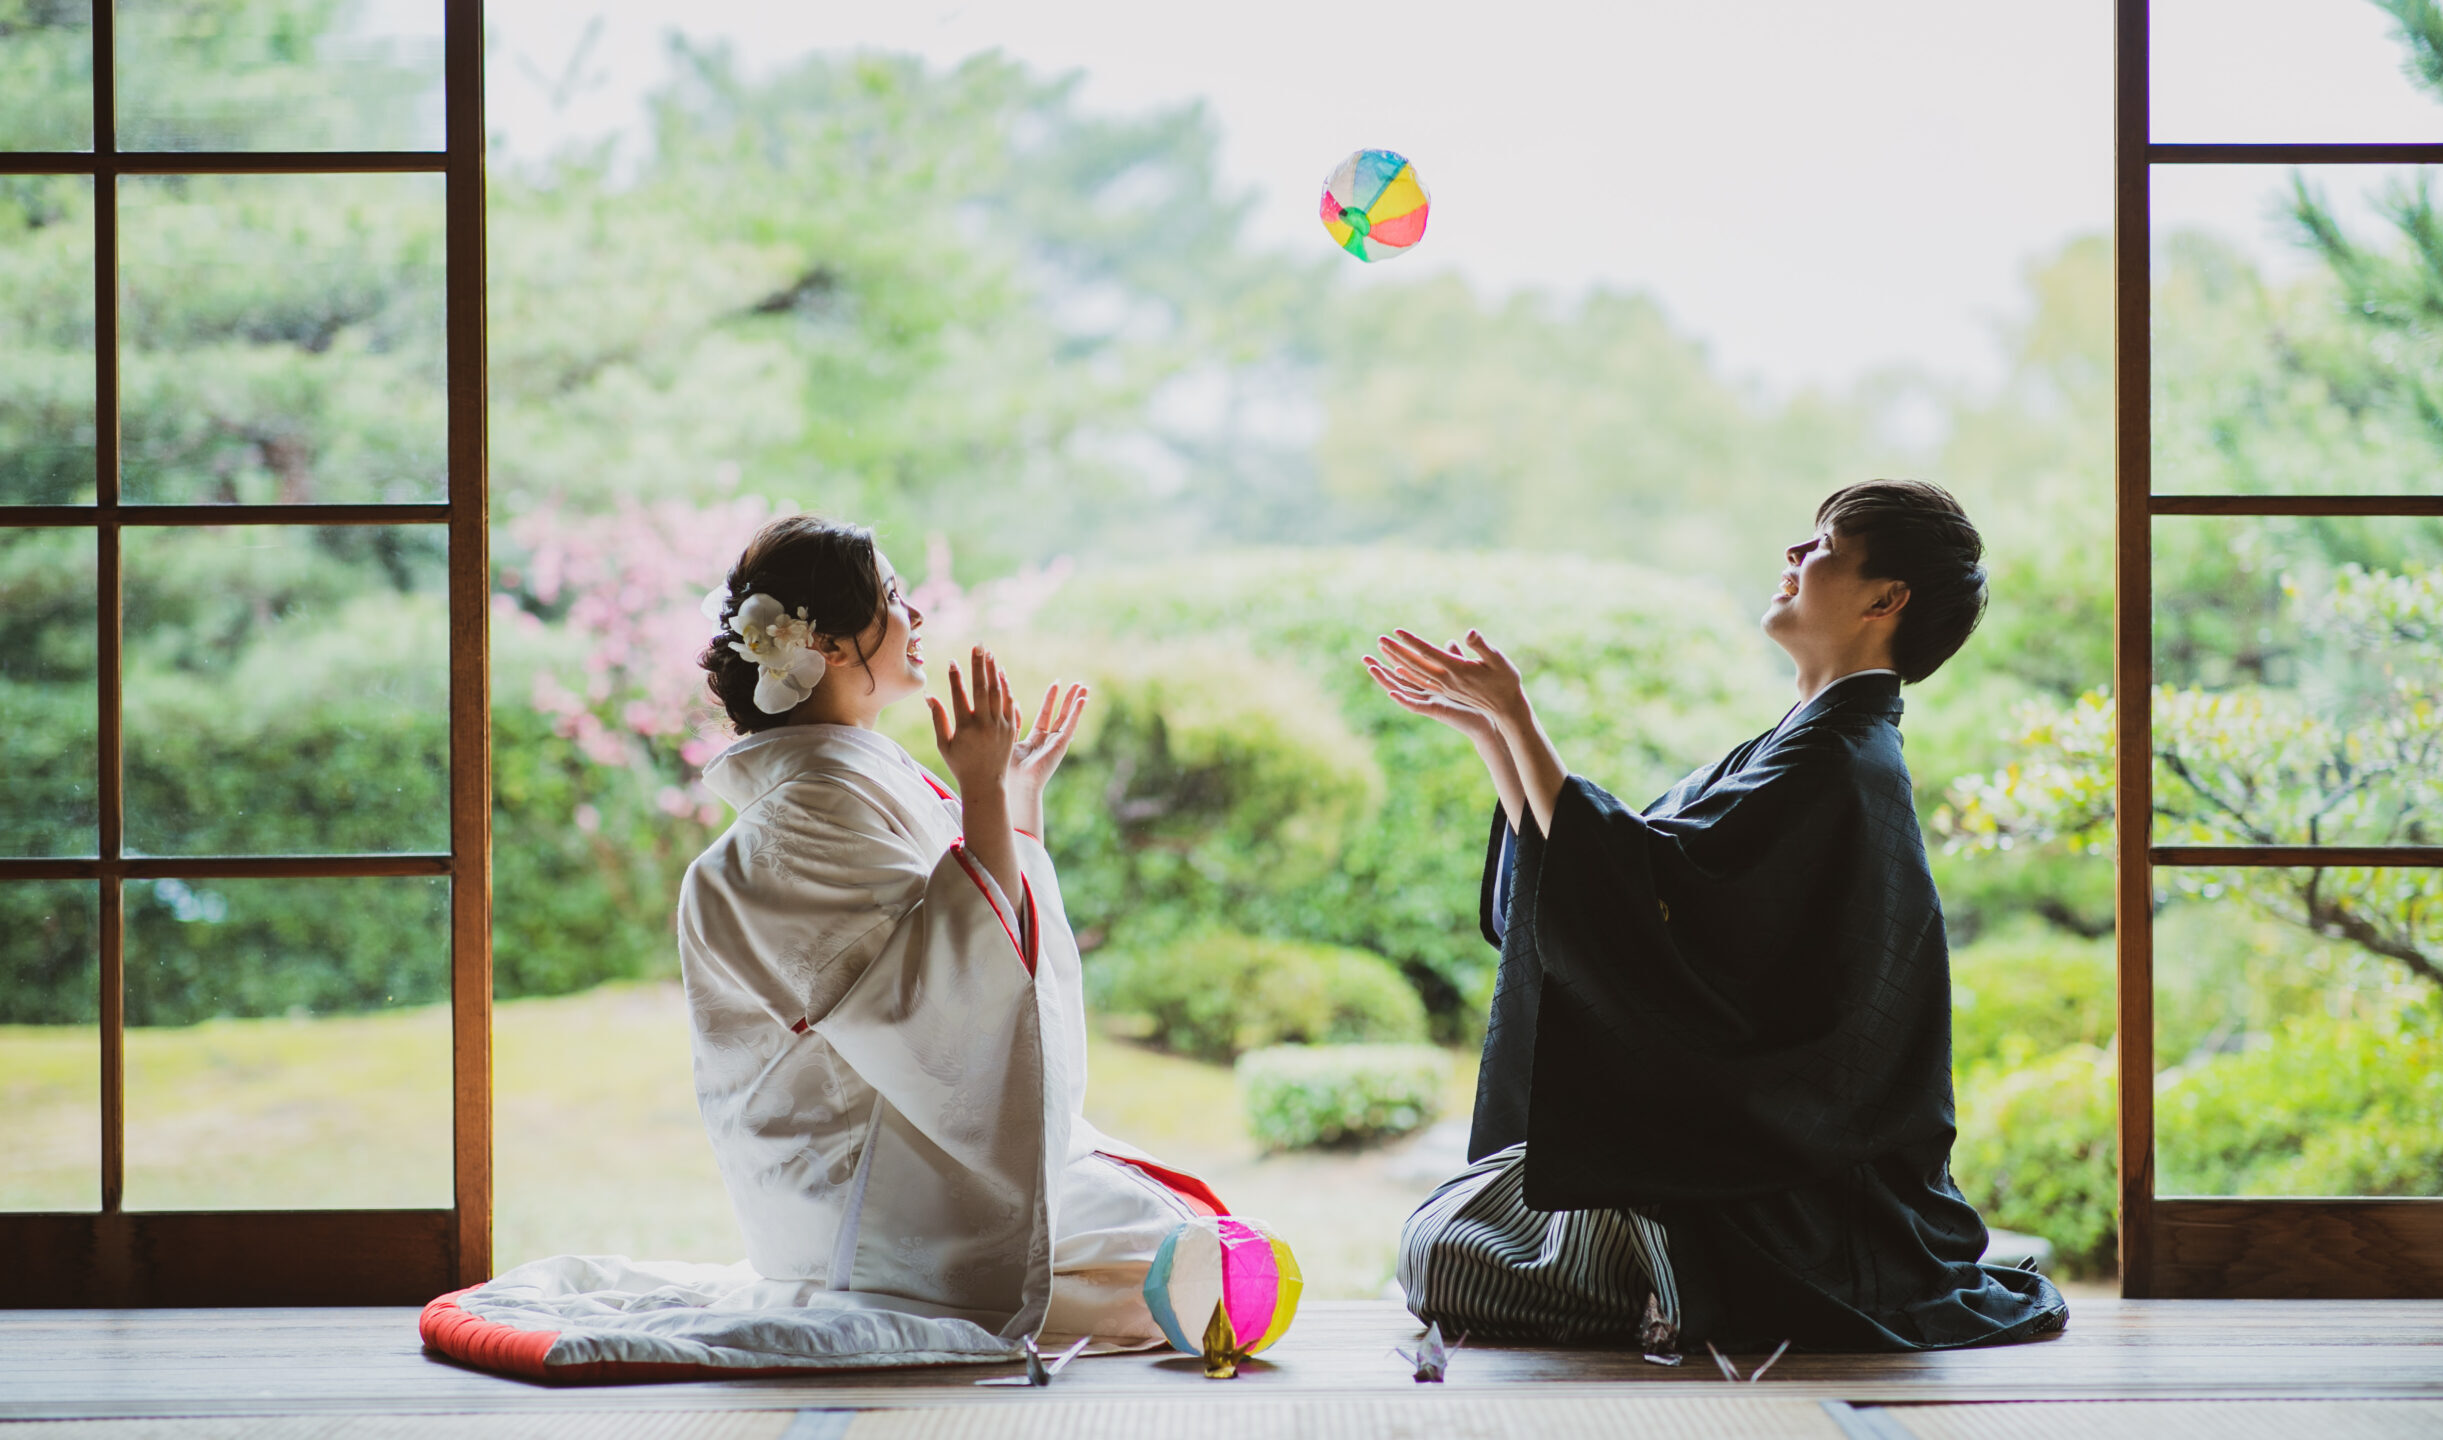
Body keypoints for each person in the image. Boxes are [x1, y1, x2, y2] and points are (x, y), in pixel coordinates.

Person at [1365, 479, 2067, 1353]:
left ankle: (1693, 1289)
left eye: (1824, 547)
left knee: (1447, 1257)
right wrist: (1493, 734)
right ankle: (1667, 1287)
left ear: (1886, 598)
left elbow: (1652, 895)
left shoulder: (1841, 760)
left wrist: (1518, 718)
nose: (1794, 557)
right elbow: (1618, 882)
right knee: (1442, 1237)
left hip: (1790, 1193)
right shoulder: (1809, 740)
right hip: (1731, 1157)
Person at [679, 514, 1222, 1349]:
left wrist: (1010, 797)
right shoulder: (809, 810)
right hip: (854, 1186)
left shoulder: (849, 780)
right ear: (821, 642)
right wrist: (982, 796)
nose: (916, 615)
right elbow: (936, 1003)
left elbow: (973, 949)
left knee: (1189, 1244)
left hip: (899, 1148)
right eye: (893, 598)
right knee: (1186, 1261)